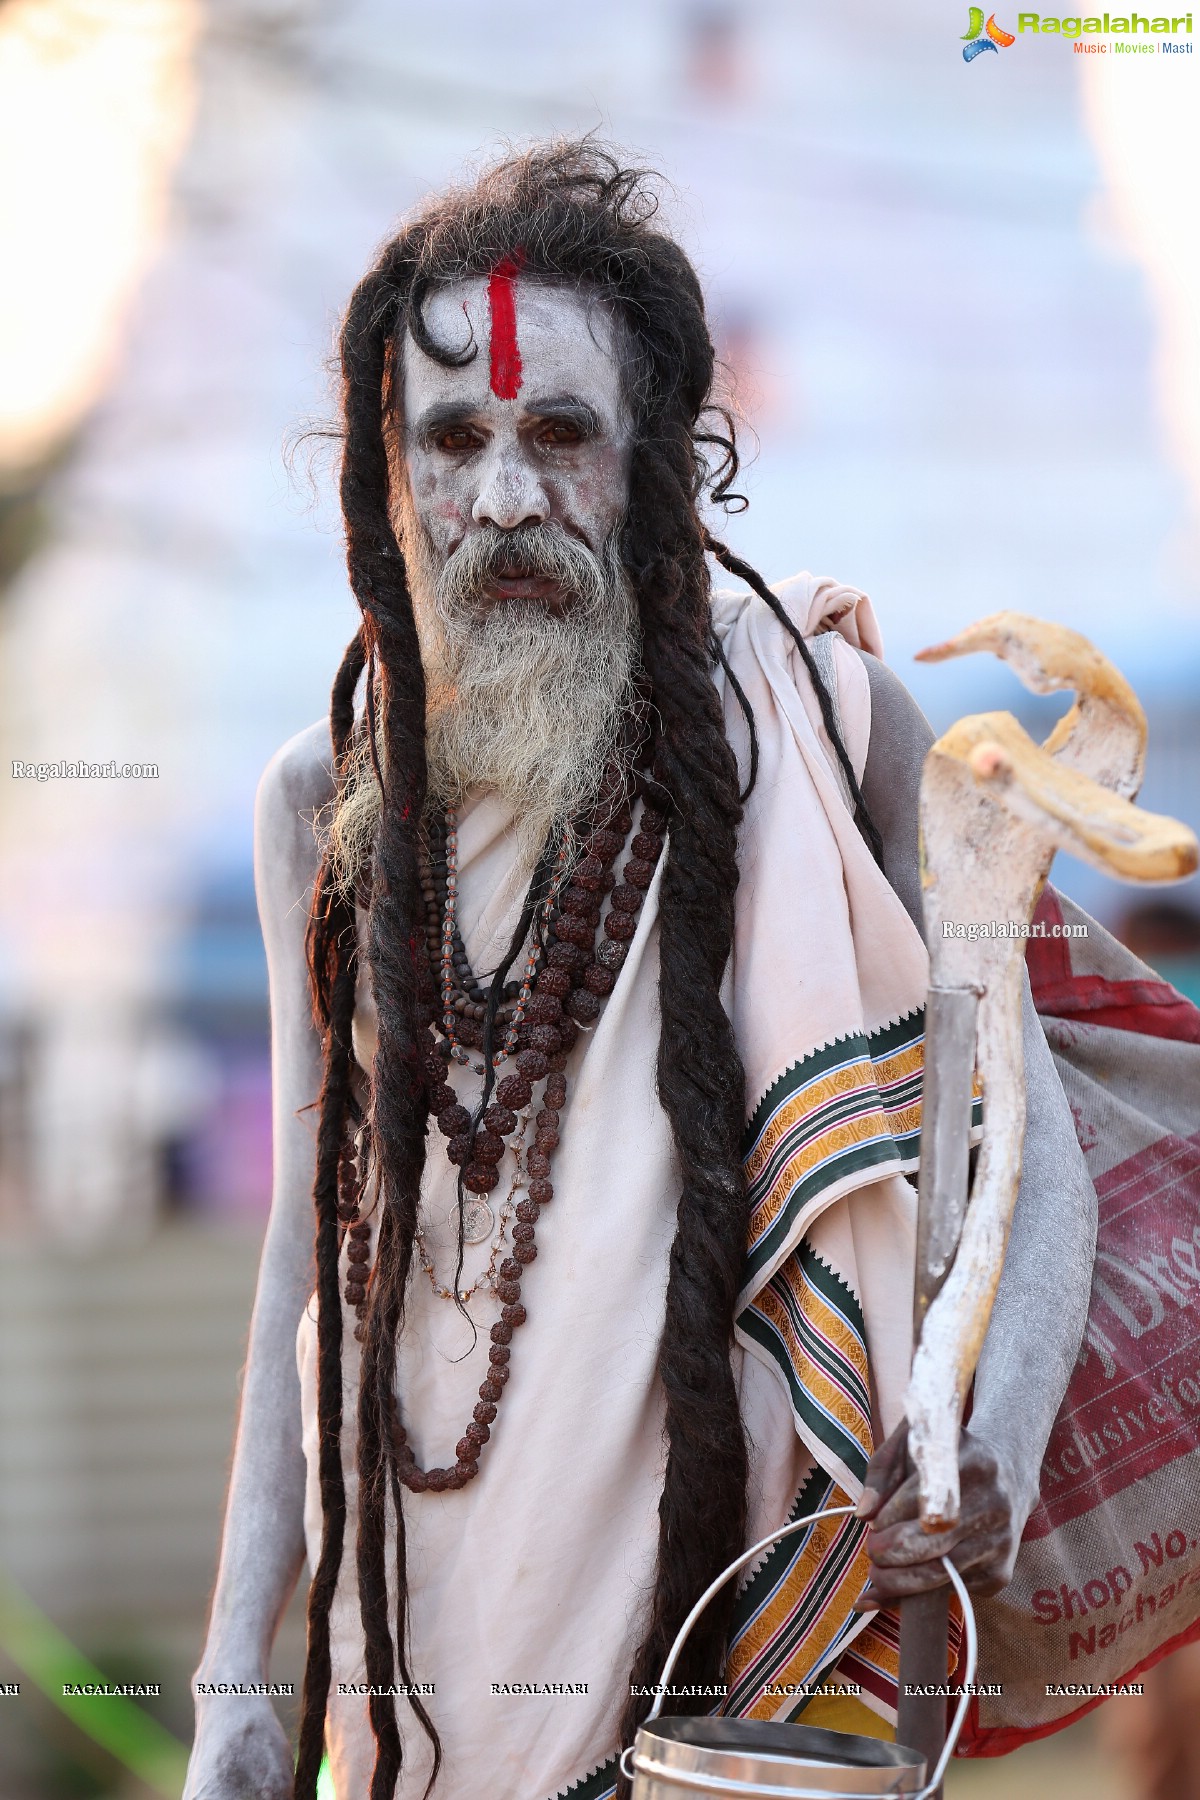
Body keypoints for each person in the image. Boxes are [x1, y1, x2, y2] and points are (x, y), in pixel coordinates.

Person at [182, 141, 1095, 1800]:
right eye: (454, 442)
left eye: (560, 436)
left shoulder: (822, 732)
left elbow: (1040, 1161)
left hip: (738, 1678)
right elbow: (305, 1263)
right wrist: (239, 1677)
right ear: (389, 482)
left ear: (655, 463)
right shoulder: (322, 805)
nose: (510, 502)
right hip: (414, 1663)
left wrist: (985, 1446)